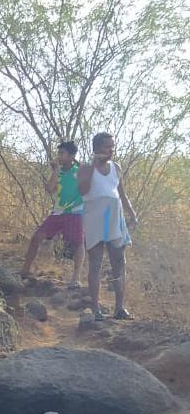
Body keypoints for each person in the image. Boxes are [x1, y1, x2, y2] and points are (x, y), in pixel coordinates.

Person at [77, 132, 138, 320]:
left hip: (115, 217)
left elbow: (122, 193)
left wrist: (132, 214)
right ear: (96, 149)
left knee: (119, 262)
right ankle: (96, 309)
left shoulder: (116, 168)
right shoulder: (85, 169)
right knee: (95, 263)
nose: (110, 150)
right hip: (94, 218)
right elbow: (83, 190)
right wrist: (94, 165)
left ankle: (119, 308)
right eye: (106, 147)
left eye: (112, 146)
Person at [20, 141, 85, 287]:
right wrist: (55, 170)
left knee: (78, 243)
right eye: (59, 153)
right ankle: (25, 270)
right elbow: (50, 188)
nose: (59, 157)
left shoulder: (79, 170)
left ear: (71, 156)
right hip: (58, 212)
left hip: (75, 212)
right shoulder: (59, 172)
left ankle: (76, 277)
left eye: (62, 153)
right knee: (37, 238)